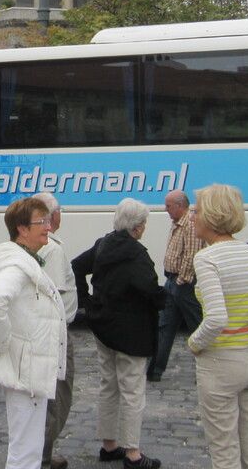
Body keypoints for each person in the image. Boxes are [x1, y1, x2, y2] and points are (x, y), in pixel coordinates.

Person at [72, 198, 166, 469]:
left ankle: (109, 444)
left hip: (104, 326)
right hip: (132, 332)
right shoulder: (136, 255)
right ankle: (133, 453)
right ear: (137, 228)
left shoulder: (104, 244)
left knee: (108, 386)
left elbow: (77, 266)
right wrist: (166, 298)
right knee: (133, 391)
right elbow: (149, 289)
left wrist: (86, 301)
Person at [0, 197, 68, 469]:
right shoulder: (17, 265)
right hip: (25, 366)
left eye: (48, 220)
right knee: (25, 450)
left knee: (28, 446)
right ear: (22, 229)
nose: (48, 227)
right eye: (40, 222)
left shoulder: (26, 261)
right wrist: (3, 341)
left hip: (30, 365)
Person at [186, 184, 248, 469]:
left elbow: (216, 318)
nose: (192, 217)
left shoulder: (207, 258)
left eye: (196, 211)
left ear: (211, 216)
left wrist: (194, 343)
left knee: (224, 451)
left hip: (222, 362)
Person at [34, 192, 78, 469]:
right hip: (56, 333)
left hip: (52, 332)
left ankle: (41, 451)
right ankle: (42, 455)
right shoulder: (53, 248)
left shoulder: (44, 246)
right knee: (59, 396)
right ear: (53, 216)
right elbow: (52, 295)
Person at [147, 190, 202, 381]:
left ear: (179, 206)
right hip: (172, 281)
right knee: (164, 326)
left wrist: (181, 281)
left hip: (183, 283)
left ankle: (206, 370)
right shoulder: (178, 222)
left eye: (168, 206)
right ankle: (154, 371)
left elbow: (191, 255)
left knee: (197, 327)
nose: (166, 209)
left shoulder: (191, 223)